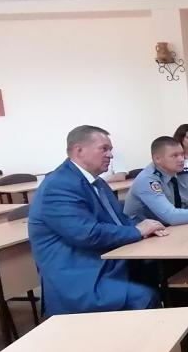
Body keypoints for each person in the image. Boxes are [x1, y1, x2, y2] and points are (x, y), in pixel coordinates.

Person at [29, 125, 167, 316]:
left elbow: (118, 220)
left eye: (110, 149)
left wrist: (147, 228)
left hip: (102, 260)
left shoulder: (96, 181)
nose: (110, 155)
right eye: (104, 149)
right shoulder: (58, 185)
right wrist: (137, 231)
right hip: (78, 275)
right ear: (79, 150)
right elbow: (87, 234)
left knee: (162, 270)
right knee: (144, 296)